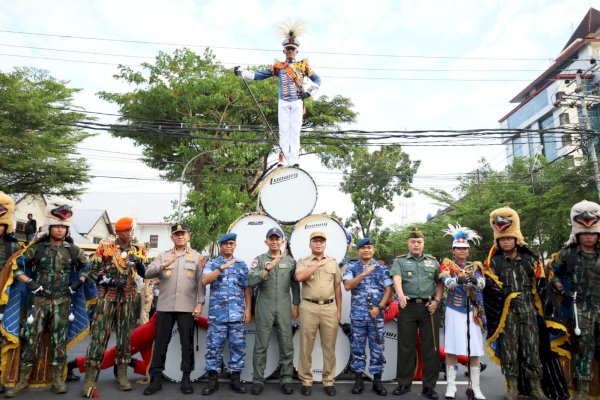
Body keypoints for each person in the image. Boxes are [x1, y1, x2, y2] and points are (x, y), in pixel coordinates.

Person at [6, 199, 89, 397]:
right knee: (31, 340)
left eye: (63, 227)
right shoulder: (37, 249)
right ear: (50, 227)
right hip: (39, 301)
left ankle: (58, 379)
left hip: (63, 301)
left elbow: (87, 267)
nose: (60, 230)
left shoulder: (73, 250)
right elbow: (16, 267)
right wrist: (30, 283)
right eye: (57, 226)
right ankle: (23, 381)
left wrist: (79, 281)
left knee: (58, 342)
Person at [483, 206, 556, 400]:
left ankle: (536, 387)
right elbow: (490, 291)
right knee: (509, 350)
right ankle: (513, 387)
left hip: (529, 310)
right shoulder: (494, 262)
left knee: (532, 349)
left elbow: (542, 285)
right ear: (498, 241)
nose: (506, 242)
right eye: (503, 239)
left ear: (516, 239)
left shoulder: (530, 258)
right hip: (507, 314)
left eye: (509, 238)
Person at [235, 21, 321, 167]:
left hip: (297, 102)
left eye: (292, 49)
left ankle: (294, 160)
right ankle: (283, 160)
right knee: (283, 132)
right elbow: (259, 75)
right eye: (288, 49)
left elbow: (317, 79)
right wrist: (242, 73)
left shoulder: (303, 66)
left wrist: (309, 92)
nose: (290, 52)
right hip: (283, 101)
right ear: (284, 51)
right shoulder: (278, 67)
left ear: (296, 52)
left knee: (295, 132)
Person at [81, 217, 147, 396]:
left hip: (128, 298)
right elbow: (92, 272)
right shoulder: (105, 247)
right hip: (107, 299)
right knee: (99, 335)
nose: (128, 233)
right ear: (117, 232)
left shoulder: (138, 249)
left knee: (125, 336)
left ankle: (122, 374)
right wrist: (110, 280)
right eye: (124, 231)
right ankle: (90, 377)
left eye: (130, 230)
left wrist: (140, 263)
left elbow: (145, 273)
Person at [143, 223, 206, 395]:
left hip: (187, 308)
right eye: (176, 234)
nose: (180, 236)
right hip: (165, 307)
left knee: (187, 344)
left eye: (183, 234)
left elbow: (201, 284)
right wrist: (164, 265)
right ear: (172, 237)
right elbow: (147, 273)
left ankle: (186, 377)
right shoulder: (163, 256)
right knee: (161, 343)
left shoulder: (197, 257)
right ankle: (156, 378)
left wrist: (200, 303)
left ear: (188, 236)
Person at [550, 200, 600, 400]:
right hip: (581, 310)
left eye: (593, 233)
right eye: (585, 234)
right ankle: (582, 391)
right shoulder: (567, 254)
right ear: (578, 234)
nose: (589, 237)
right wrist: (563, 290)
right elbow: (550, 273)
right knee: (583, 350)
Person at [390, 228, 442, 399]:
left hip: (429, 308)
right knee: (406, 346)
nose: (416, 245)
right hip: (408, 307)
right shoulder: (400, 261)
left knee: (431, 348)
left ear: (423, 244)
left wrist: (437, 301)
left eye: (419, 242)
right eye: (413, 242)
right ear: (408, 244)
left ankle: (429, 386)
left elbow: (440, 282)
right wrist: (399, 294)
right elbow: (396, 278)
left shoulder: (433, 262)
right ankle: (404, 383)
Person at [248, 227, 300, 395]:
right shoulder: (260, 260)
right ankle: (258, 380)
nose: (275, 241)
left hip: (284, 305)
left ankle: (286, 379)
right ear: (266, 241)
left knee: (286, 343)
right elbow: (251, 281)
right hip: (265, 305)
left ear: (282, 241)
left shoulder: (290, 261)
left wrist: (296, 304)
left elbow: (295, 283)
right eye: (271, 238)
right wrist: (268, 268)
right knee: (261, 344)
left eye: (278, 238)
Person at [438, 224, 486, 400]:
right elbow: (445, 282)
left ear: (468, 250)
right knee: (451, 348)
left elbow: (482, 285)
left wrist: (475, 279)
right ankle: (451, 386)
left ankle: (475, 387)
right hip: (453, 308)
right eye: (458, 248)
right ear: (453, 249)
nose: (462, 251)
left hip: (471, 310)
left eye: (465, 248)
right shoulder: (447, 264)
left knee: (474, 349)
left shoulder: (475, 266)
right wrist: (457, 279)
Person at [201, 233, 251, 395]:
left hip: (237, 314)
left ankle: (235, 379)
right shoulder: (212, 263)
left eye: (232, 243)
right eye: (226, 244)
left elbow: (246, 288)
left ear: (235, 246)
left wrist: (248, 309)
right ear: (220, 246)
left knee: (238, 347)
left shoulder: (241, 265)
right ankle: (212, 379)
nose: (229, 246)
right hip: (218, 316)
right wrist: (220, 268)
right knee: (214, 348)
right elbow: (205, 280)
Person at [343, 237, 392, 396]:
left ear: (373, 250)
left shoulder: (381, 268)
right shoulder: (352, 267)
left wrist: (380, 307)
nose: (366, 250)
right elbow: (348, 286)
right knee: (357, 347)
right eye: (363, 248)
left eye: (369, 247)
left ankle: (377, 381)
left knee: (377, 347)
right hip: (358, 315)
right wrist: (364, 273)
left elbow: (389, 291)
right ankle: (359, 380)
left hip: (375, 316)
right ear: (358, 251)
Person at [295, 231, 342, 397]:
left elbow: (337, 287)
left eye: (321, 241)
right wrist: (318, 264)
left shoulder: (333, 263)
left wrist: (339, 310)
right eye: (315, 241)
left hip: (329, 308)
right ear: (310, 244)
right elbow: (299, 277)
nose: (318, 243)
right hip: (309, 307)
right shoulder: (303, 262)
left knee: (329, 347)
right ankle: (306, 380)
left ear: (325, 244)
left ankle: (328, 380)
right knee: (306, 345)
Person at [0, 192, 23, 393]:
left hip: (5, 299)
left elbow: (19, 271)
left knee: (4, 337)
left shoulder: (14, 246)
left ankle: (3, 377)